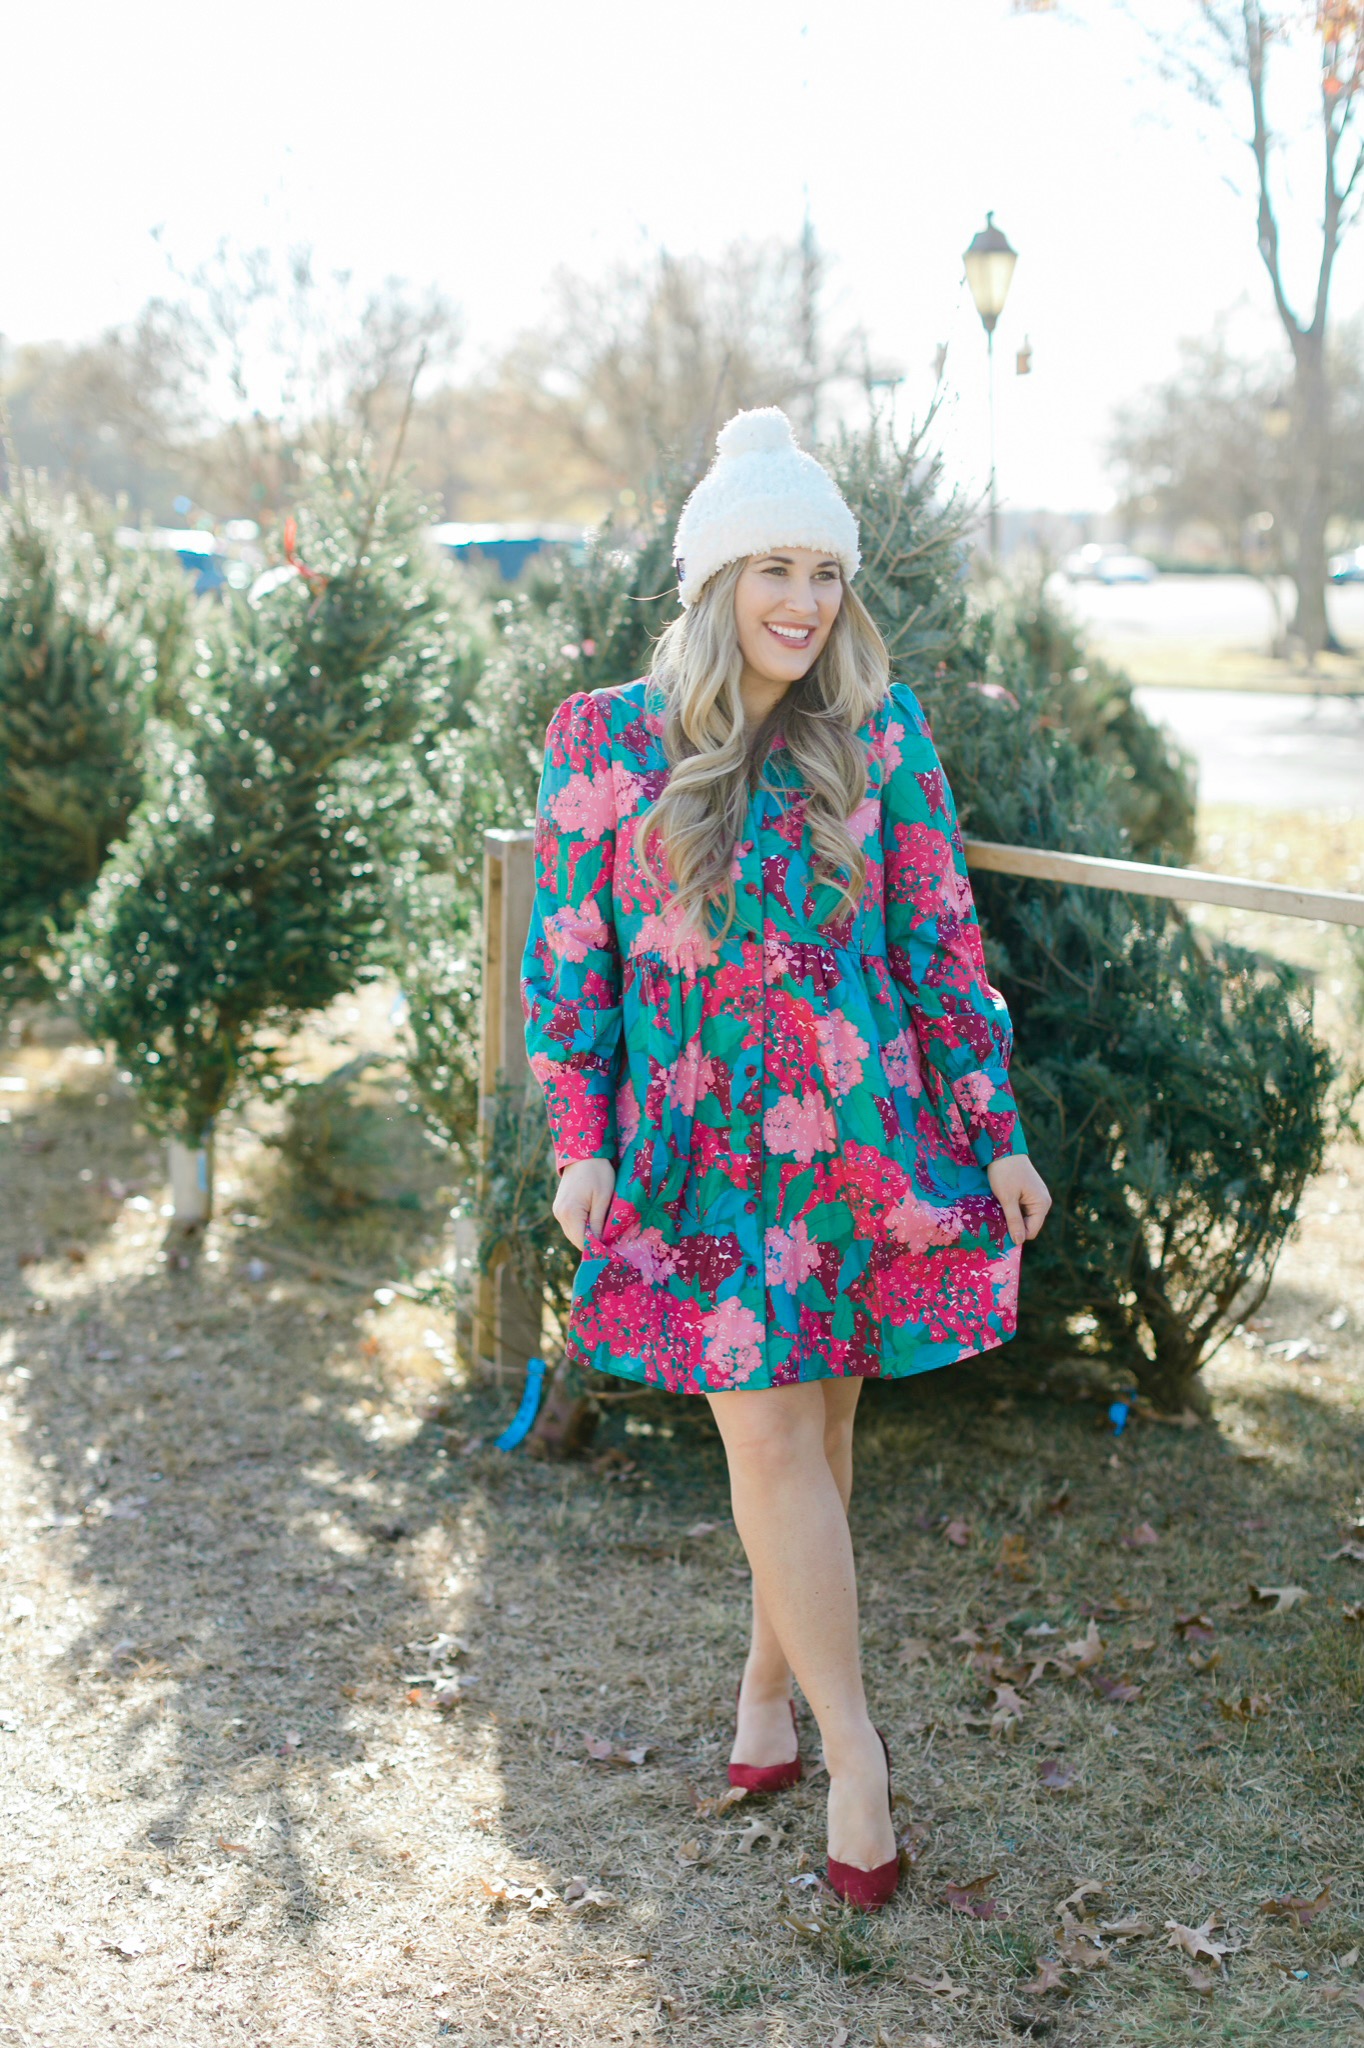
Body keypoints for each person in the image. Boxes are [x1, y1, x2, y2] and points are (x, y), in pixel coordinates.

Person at [520, 408, 1052, 1909]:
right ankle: (860, 1758)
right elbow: (571, 966)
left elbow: (940, 940)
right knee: (767, 1443)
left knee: (815, 1443)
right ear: (712, 580)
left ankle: (767, 1706)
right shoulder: (604, 741)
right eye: (773, 568)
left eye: (824, 570)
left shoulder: (872, 732)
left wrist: (992, 1130)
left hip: (861, 1143)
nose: (803, 603)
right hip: (696, 1161)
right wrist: (581, 1146)